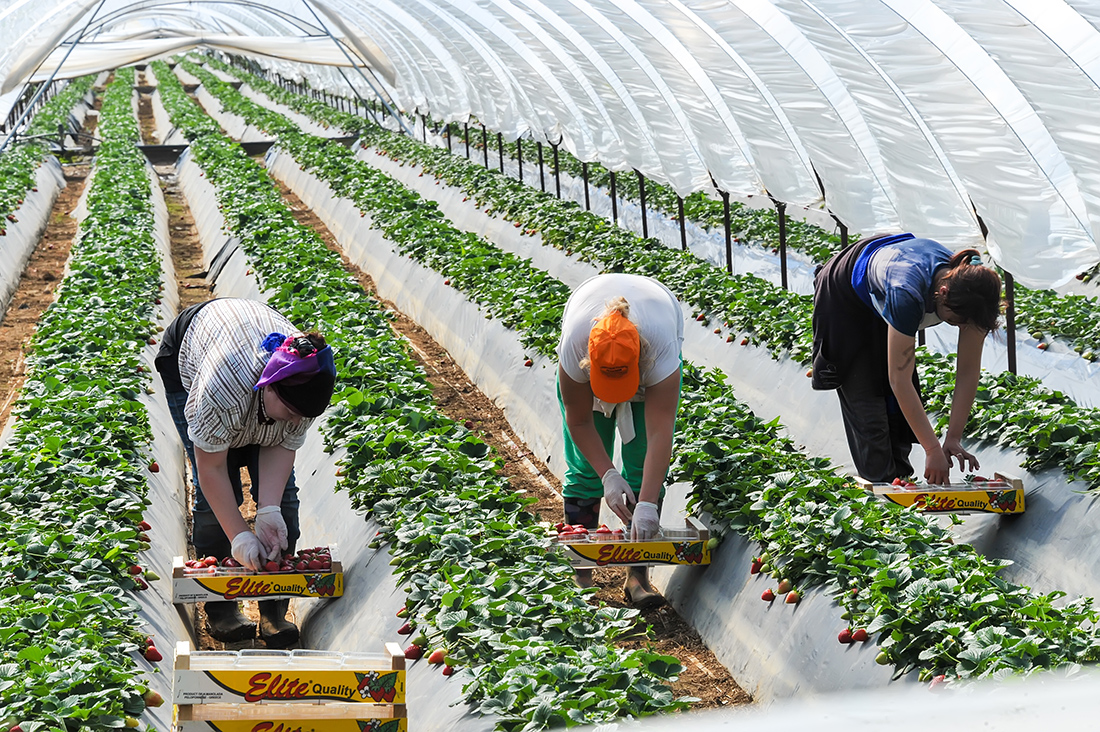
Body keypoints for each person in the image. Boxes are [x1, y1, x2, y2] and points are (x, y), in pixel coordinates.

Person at [155, 298, 336, 647]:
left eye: (304, 416)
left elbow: (281, 446)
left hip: (246, 362)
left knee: (283, 503)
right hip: (188, 357)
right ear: (270, 384)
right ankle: (220, 608)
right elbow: (211, 468)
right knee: (218, 504)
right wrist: (239, 534)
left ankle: (274, 610)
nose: (297, 421)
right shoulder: (220, 390)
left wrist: (268, 510)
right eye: (291, 411)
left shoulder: (308, 386)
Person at [811, 233, 1001, 485]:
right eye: (954, 321)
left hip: (886, 283)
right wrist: (932, 449)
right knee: (866, 397)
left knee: (895, 412)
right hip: (846, 294)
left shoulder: (977, 296)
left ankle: (900, 479)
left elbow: (967, 372)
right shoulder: (907, 292)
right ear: (941, 293)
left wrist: (953, 437)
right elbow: (898, 379)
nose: (961, 327)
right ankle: (881, 486)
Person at [556, 273, 684, 608]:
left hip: (652, 358)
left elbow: (660, 432)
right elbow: (580, 419)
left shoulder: (660, 347)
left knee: (643, 467)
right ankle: (580, 570)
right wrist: (607, 474)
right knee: (585, 468)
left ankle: (637, 576)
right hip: (588, 358)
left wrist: (645, 504)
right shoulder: (575, 343)